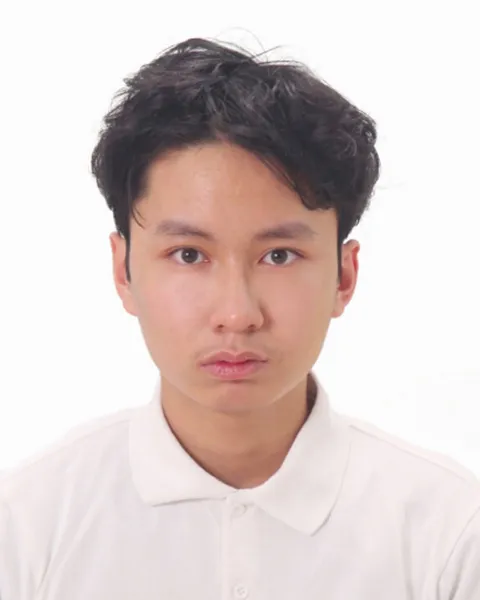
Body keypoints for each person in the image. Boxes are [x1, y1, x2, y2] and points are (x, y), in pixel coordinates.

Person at [0, 37, 479, 600]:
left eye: (279, 256)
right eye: (188, 255)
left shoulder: (450, 535)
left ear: (343, 277)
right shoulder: (28, 526)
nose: (236, 314)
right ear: (123, 271)